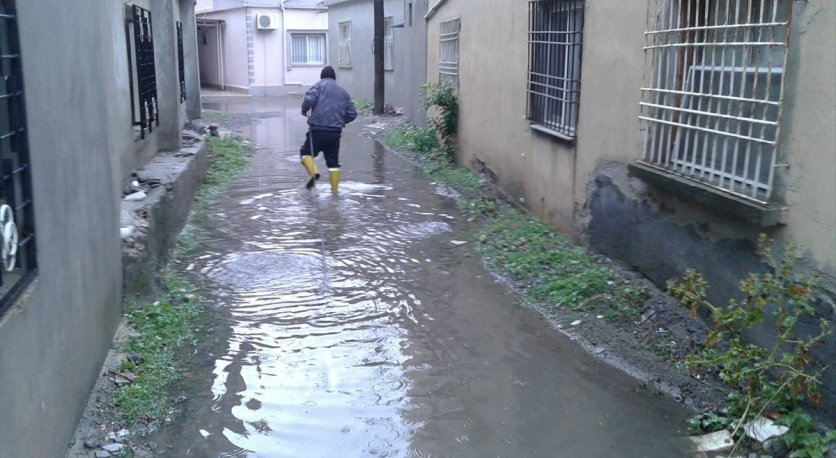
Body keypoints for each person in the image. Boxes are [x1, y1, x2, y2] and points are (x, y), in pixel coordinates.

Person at [300, 66, 357, 193]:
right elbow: (352, 113)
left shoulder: (318, 86)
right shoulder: (343, 92)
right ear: (334, 78)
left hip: (317, 130)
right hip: (335, 133)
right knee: (333, 163)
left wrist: (304, 111)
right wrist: (342, 121)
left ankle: (314, 172)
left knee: (305, 154)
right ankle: (335, 194)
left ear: (322, 76)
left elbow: (309, 99)